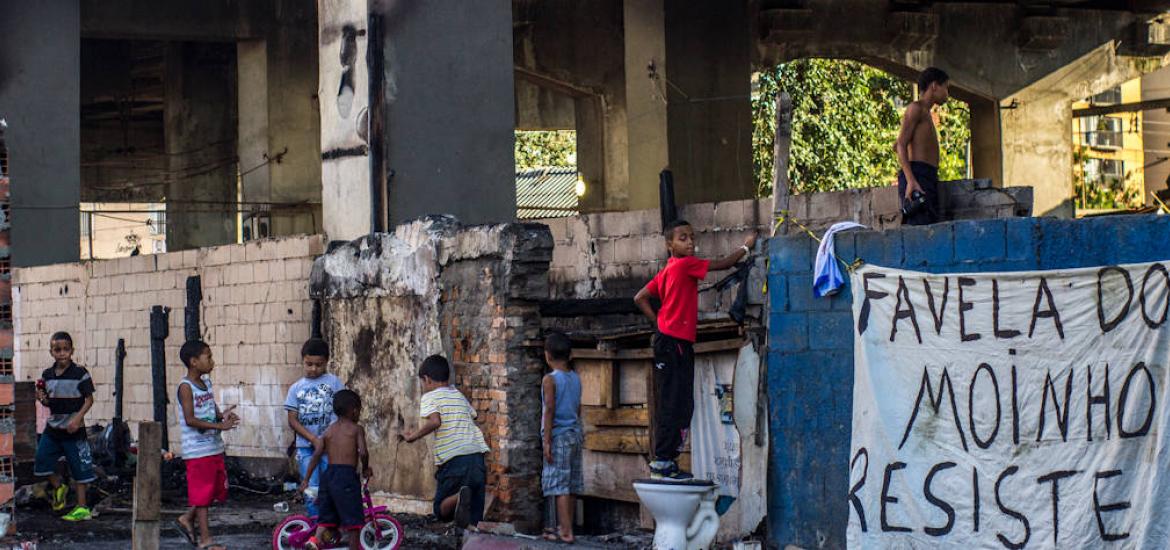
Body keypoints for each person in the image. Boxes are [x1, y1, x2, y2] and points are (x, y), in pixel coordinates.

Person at [633, 220, 756, 480]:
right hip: (673, 342)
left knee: (680, 402)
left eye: (691, 237)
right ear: (669, 244)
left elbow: (640, 297)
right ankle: (662, 462)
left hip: (673, 340)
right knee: (675, 402)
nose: (690, 242)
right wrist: (746, 247)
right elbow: (723, 264)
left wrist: (659, 323)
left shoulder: (668, 270)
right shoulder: (684, 264)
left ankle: (667, 461)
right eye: (682, 238)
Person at [398, 355, 490, 528]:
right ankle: (468, 529)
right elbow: (473, 415)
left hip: (454, 459)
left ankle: (460, 496)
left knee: (440, 509)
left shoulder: (430, 396)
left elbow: (435, 422)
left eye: (422, 383)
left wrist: (413, 436)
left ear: (427, 379)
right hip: (477, 457)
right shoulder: (458, 395)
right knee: (473, 519)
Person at [174, 340, 240, 550]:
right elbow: (190, 419)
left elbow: (212, 410)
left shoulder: (206, 384)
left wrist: (223, 415)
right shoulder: (186, 387)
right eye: (208, 357)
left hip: (213, 447)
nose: (212, 361)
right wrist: (220, 426)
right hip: (197, 450)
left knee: (214, 491)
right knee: (203, 496)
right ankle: (206, 541)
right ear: (194, 361)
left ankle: (187, 518)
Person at [33, 331, 96, 521]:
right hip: (53, 430)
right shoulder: (47, 375)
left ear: (72, 351)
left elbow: (89, 400)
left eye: (65, 349)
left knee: (79, 468)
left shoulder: (80, 373)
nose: (62, 353)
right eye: (57, 350)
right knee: (41, 461)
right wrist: (42, 398)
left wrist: (77, 419)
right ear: (51, 352)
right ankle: (59, 487)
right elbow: (48, 402)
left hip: (74, 430)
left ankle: (82, 508)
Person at [300, 389, 370, 550]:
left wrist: (306, 479)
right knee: (353, 520)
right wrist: (366, 468)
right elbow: (363, 452)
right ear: (354, 410)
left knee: (327, 516)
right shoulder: (356, 429)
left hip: (329, 475)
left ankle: (315, 540)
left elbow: (316, 455)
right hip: (346, 476)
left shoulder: (328, 431)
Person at [285, 338, 346, 517]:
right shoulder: (295, 388)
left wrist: (330, 438)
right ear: (303, 361)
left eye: (319, 365)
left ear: (326, 362)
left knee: (331, 485)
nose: (313, 369)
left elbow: (343, 412)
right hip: (306, 448)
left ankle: (330, 522)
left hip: (331, 447)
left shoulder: (334, 383)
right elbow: (292, 420)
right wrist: (313, 439)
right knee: (311, 487)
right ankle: (315, 522)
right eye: (309, 364)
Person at [894, 66, 951, 226]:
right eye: (946, 87)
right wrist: (911, 181)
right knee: (920, 228)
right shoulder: (916, 108)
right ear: (934, 86)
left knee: (930, 227)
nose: (947, 93)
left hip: (928, 175)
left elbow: (898, 144)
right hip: (917, 175)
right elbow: (901, 145)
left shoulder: (926, 113)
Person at [540, 332, 582, 543]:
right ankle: (566, 527)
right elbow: (578, 408)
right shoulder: (576, 378)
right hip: (575, 434)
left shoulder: (550, 379)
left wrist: (547, 441)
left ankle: (565, 531)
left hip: (559, 436)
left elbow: (549, 410)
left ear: (547, 355)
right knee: (571, 484)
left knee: (559, 484)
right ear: (570, 354)